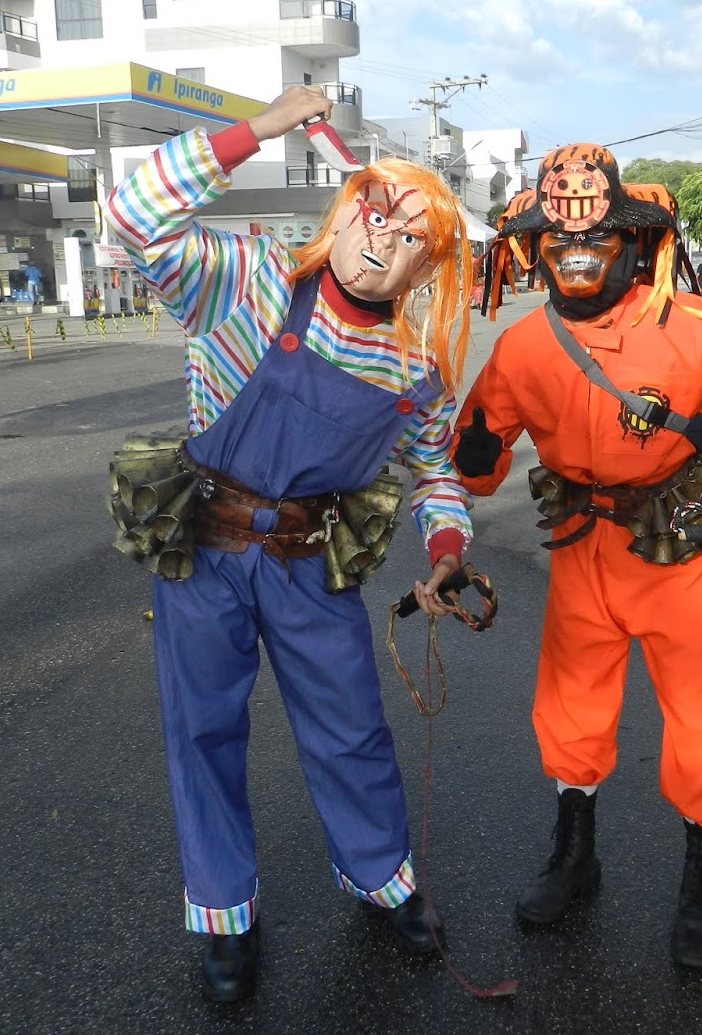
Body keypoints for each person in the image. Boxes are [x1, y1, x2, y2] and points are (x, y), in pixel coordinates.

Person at [102, 85, 476, 1004]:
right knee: (203, 735)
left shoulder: (416, 370)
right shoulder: (248, 278)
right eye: (373, 211)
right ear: (343, 209)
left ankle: (383, 878)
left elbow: (436, 474)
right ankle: (225, 916)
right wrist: (259, 129)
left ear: (426, 271)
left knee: (351, 731)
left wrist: (446, 551)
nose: (381, 238)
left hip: (312, 567)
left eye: (410, 236)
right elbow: (131, 215)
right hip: (208, 553)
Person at [450, 143, 702, 969]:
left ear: (631, 242)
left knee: (700, 720)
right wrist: (450, 446)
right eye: (557, 242)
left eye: (595, 241)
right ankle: (575, 855)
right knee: (570, 710)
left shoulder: (696, 327)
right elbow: (473, 464)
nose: (576, 256)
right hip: (581, 551)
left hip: (674, 551)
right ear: (536, 249)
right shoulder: (521, 346)